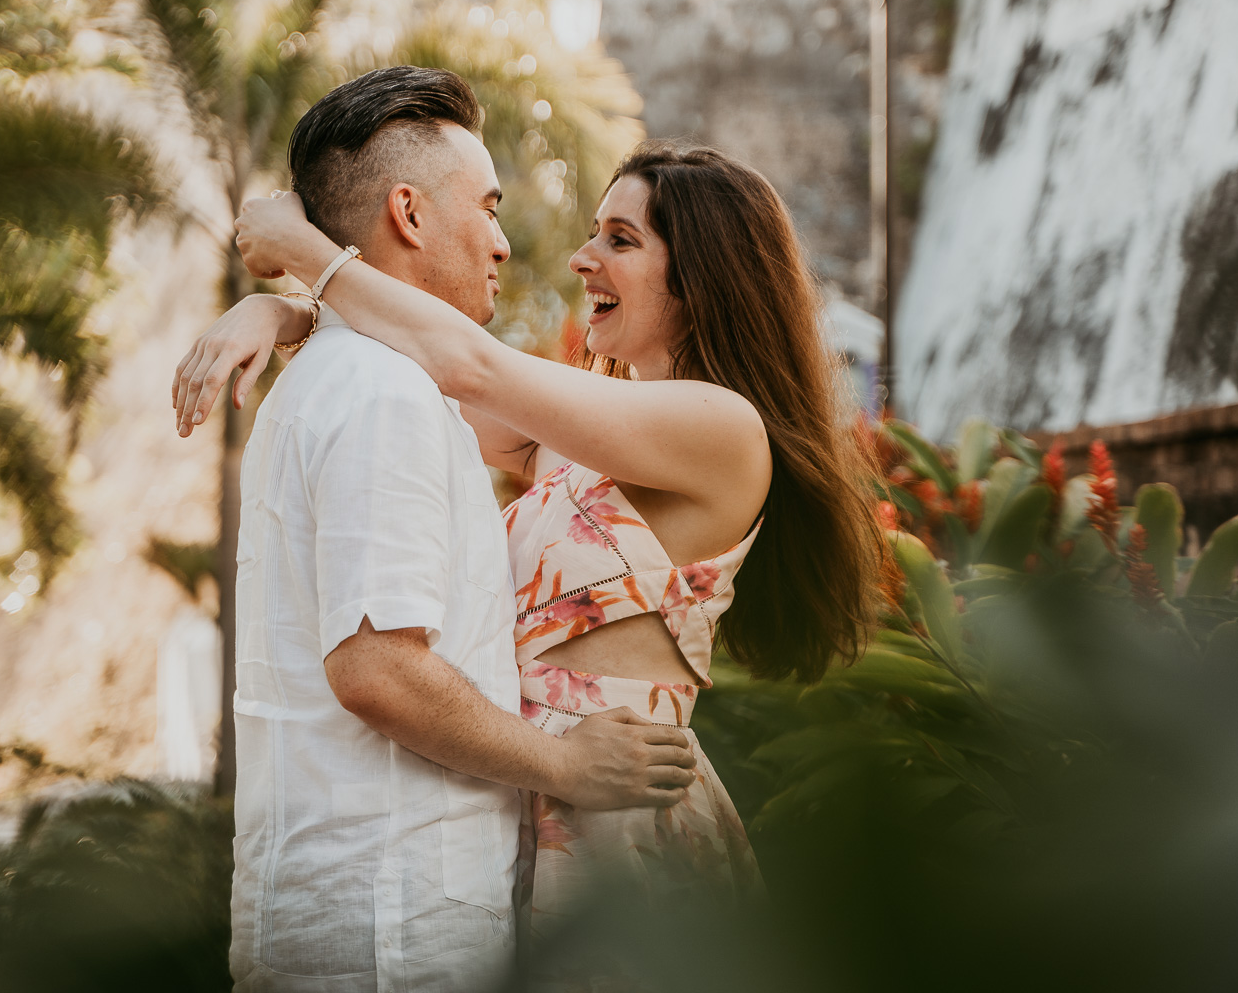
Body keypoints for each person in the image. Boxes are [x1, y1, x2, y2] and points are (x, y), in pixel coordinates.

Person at [177, 127, 884, 983]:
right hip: (524, 798)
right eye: (596, 232)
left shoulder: (723, 430)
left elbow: (466, 363)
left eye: (620, 241)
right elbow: (413, 372)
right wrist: (286, 313)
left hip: (617, 825)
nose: (583, 259)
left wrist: (302, 254)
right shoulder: (575, 439)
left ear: (701, 280)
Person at [184, 67, 703, 993]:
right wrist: (565, 766)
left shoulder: (373, 384)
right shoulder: (385, 394)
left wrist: (296, 289)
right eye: (490, 210)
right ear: (411, 216)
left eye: (618, 239)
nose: (515, 245)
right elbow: (378, 669)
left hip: (429, 892)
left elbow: (471, 368)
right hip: (394, 921)